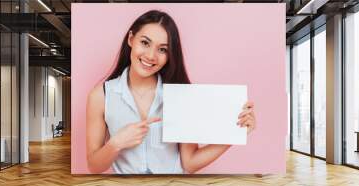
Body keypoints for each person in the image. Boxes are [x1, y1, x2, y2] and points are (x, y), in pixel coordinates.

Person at [86, 10, 256, 174]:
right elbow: (94, 166)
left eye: (162, 49)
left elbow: (189, 164)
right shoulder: (101, 96)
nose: (151, 56)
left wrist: (235, 134)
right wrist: (116, 143)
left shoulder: (181, 96)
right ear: (131, 39)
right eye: (145, 43)